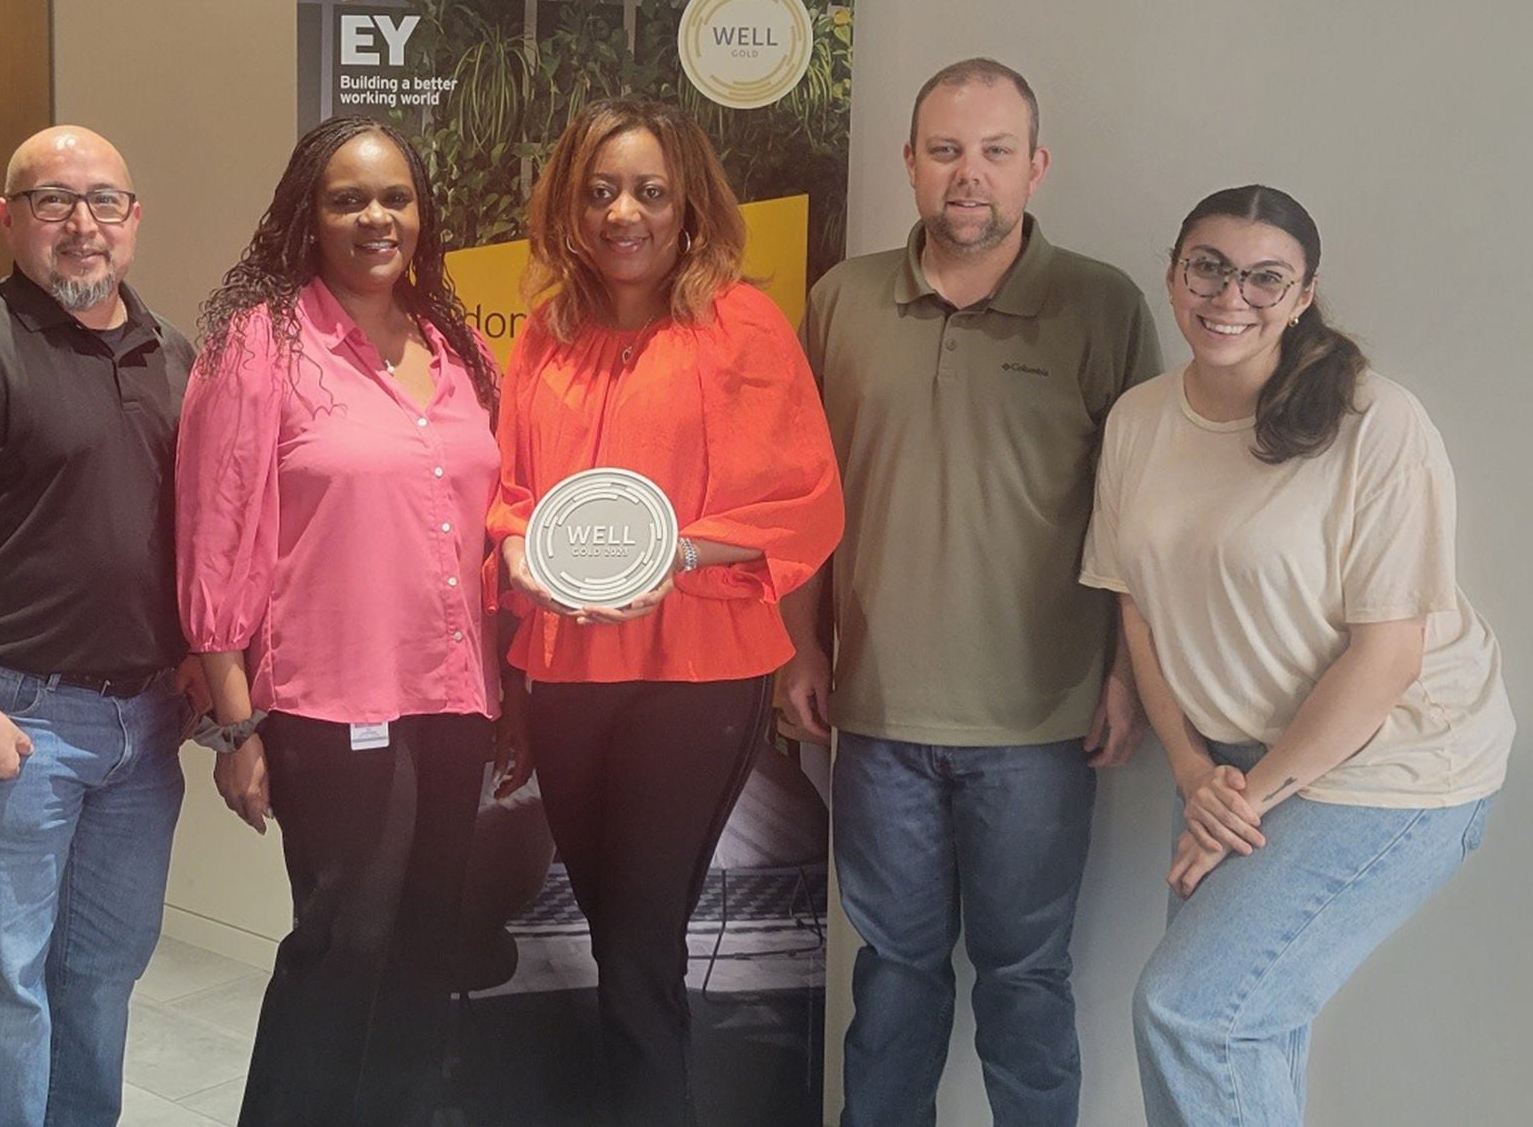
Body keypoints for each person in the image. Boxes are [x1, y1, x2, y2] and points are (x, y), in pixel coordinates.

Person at [1080, 184, 1512, 1127]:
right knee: (1245, 1025)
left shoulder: (1377, 422)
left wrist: (1243, 799)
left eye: (1264, 277)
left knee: (1196, 1015)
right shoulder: (1139, 421)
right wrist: (1193, 770)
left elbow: (1387, 656)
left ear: (1303, 294)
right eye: (1207, 267)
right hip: (1230, 768)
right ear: (1174, 273)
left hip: (1394, 760)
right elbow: (1136, 609)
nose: (1229, 295)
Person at [781, 57, 1160, 1126]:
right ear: (909, 162)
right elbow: (802, 495)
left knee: (1026, 982)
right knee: (893, 981)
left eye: (995, 151)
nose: (968, 175)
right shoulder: (842, 300)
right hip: (877, 716)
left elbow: (1142, 516)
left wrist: (1128, 676)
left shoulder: (1101, 305)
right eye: (946, 151)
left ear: (1036, 166)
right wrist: (798, 646)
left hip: (1042, 721)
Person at [489, 97, 843, 1127]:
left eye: (649, 191)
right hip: (565, 671)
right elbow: (511, 493)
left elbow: (800, 495)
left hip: (694, 670)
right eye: (600, 191)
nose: (623, 213)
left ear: (687, 204)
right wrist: (519, 550)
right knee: (614, 932)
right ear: (569, 205)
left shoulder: (742, 326)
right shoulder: (547, 335)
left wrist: (675, 552)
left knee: (639, 939)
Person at [177, 115, 516, 1127]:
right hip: (330, 705)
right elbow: (214, 540)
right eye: (348, 199)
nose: (377, 218)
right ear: (307, 217)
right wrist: (236, 726)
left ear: (422, 213)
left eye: (395, 197)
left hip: (454, 699)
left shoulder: (456, 349)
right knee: (345, 946)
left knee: (426, 948)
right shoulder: (261, 345)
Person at [0, 125, 197, 1127]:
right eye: (52, 200)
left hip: (146, 722)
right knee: (1, 979)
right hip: (20, 715)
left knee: (103, 969)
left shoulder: (173, 355)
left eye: (104, 201)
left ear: (134, 218)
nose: (81, 224)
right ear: (7, 219)